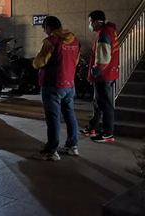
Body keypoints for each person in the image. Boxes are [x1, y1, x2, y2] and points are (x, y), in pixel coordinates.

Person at [30, 16, 81, 161]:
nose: (44, 31)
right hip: (69, 84)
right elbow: (75, 61)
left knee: (53, 118)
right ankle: (72, 146)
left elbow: (38, 63)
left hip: (52, 84)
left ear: (49, 27)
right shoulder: (75, 41)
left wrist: (35, 60)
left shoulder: (50, 41)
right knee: (70, 115)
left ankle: (51, 150)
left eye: (44, 28)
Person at [81, 10, 119, 144]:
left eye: (90, 22)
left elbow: (103, 59)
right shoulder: (110, 31)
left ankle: (107, 133)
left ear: (97, 22)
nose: (90, 25)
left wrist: (94, 72)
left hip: (103, 75)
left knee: (105, 105)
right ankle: (92, 127)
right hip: (109, 73)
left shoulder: (103, 34)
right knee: (98, 103)